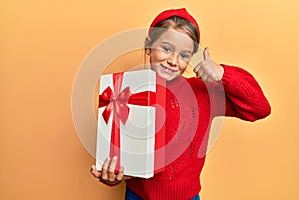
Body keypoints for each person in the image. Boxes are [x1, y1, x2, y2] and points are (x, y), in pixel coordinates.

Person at [91, 8, 271, 200]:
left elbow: (260, 108)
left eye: (184, 55)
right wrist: (112, 177)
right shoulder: (125, 90)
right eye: (166, 49)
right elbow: (121, 147)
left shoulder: (202, 92)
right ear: (148, 45)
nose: (173, 61)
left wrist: (222, 73)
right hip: (137, 195)